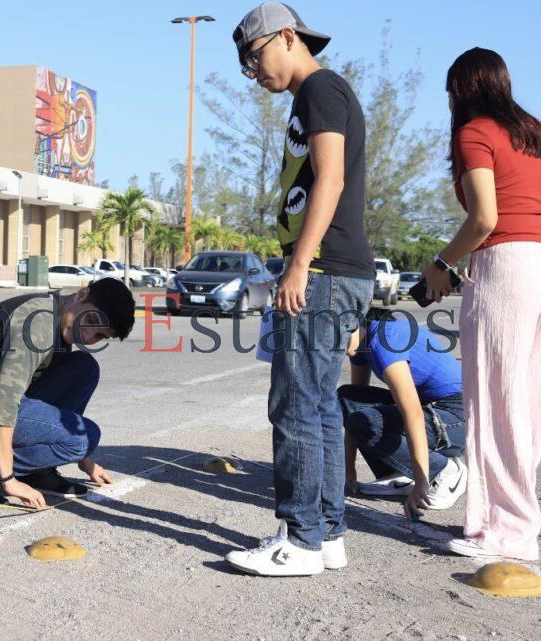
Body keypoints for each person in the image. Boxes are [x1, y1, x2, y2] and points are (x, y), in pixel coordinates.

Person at [225, 3, 375, 577]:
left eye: (254, 56)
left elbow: (330, 178)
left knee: (294, 406)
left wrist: (299, 266)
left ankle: (302, 539)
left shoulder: (319, 90)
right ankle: (327, 534)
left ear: (287, 37)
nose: (252, 71)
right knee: (317, 405)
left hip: (323, 274)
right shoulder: (314, 97)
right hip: (335, 272)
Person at [419, 48, 541, 561]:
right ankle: (522, 520)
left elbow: (485, 217)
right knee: (528, 401)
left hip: (505, 266)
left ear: (460, 90)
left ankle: (505, 530)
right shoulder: (531, 132)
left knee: (494, 399)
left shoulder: (476, 133)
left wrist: (441, 265)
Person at [0, 280, 135, 509]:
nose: (88, 336)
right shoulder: (39, 321)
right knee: (84, 438)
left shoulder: (62, 318)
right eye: (91, 321)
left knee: (84, 368)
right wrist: (8, 481)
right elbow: (4, 401)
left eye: (100, 336)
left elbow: (59, 413)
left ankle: (36, 472)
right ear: (81, 294)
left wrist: (86, 462)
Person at [339, 308, 467, 518]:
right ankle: (397, 474)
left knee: (369, 422)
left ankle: (444, 470)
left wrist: (421, 481)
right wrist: (349, 471)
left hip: (459, 414)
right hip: (432, 407)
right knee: (346, 396)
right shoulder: (361, 344)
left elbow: (413, 413)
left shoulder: (384, 341)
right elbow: (353, 408)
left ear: (356, 323)